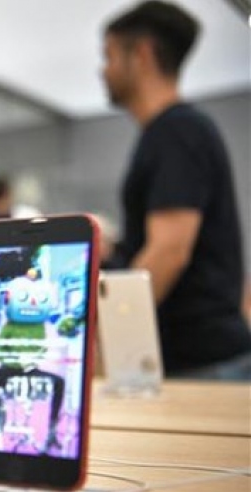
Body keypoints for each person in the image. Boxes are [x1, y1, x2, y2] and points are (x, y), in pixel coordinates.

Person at [101, 1, 251, 379]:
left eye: (110, 56)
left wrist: (113, 336)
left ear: (142, 55)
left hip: (202, 363)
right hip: (200, 359)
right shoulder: (169, 133)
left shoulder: (177, 131)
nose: (104, 70)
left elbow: (168, 251)